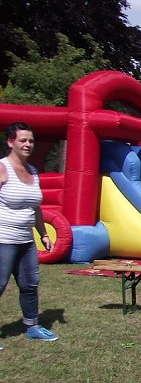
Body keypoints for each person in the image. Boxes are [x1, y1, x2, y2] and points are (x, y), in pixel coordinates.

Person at [0, 122, 59, 346]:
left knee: (30, 284)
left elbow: (35, 207)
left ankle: (32, 326)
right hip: (3, 239)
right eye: (23, 140)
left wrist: (43, 234)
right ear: (10, 142)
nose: (28, 144)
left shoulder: (33, 171)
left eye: (31, 140)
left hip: (26, 240)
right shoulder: (2, 168)